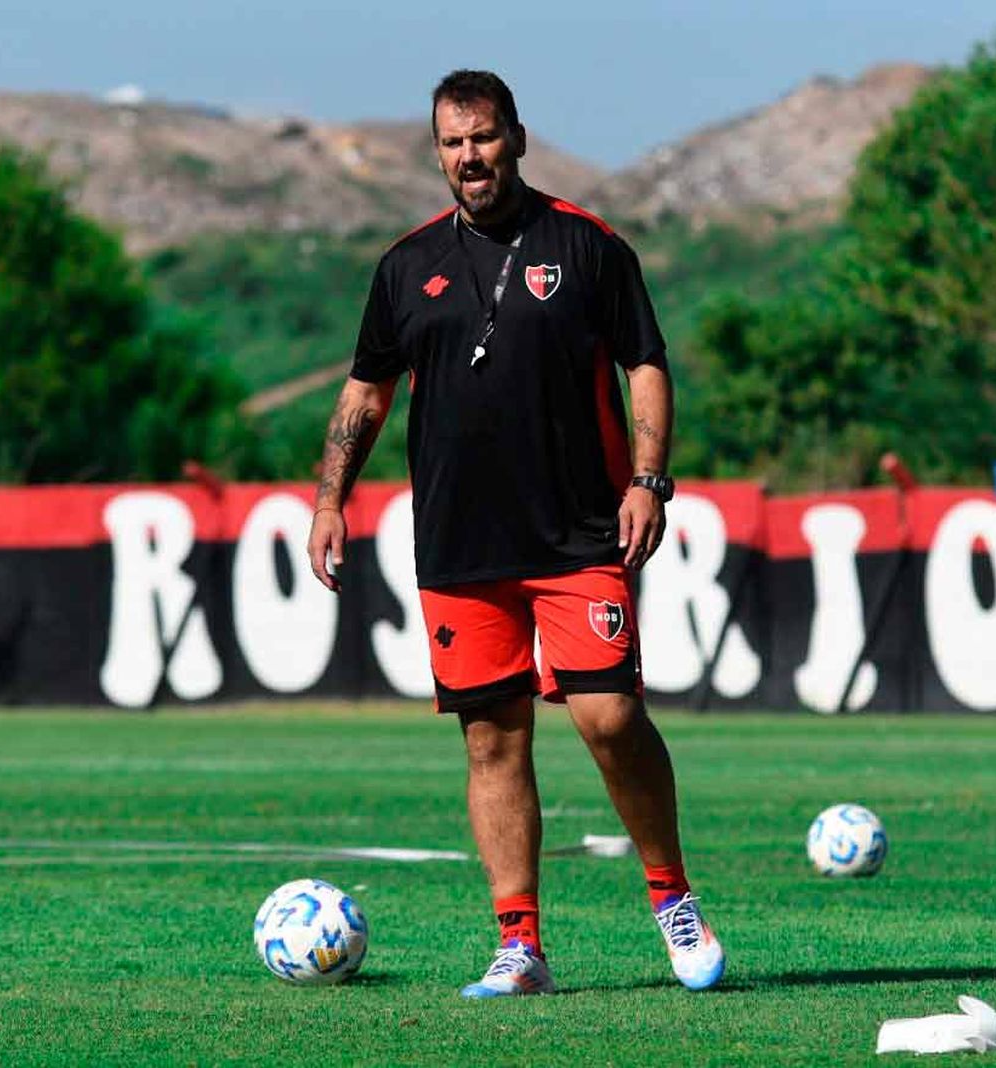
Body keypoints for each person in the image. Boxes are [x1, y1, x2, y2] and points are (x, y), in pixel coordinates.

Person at [306, 69, 723, 997]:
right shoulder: (405, 266)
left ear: (518, 139)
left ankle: (673, 900)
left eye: (484, 138)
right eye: (453, 143)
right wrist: (331, 498)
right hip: (459, 542)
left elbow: (645, 364)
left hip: (578, 531)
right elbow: (365, 391)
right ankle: (520, 944)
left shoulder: (588, 245)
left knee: (610, 719)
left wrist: (650, 478)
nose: (470, 158)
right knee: (492, 740)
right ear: (438, 153)